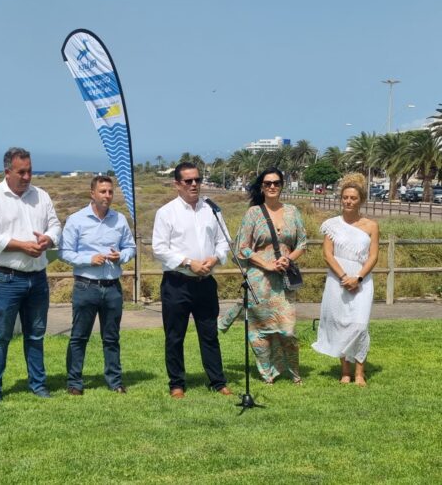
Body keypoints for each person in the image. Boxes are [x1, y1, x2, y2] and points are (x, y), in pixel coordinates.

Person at [0, 147, 62, 401]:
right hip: (5, 278)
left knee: (35, 334)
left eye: (30, 171)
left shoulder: (41, 196)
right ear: (7, 172)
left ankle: (38, 385)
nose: (27, 177)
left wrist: (49, 239)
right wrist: (21, 245)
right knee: (0, 335)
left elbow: (55, 225)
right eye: (21, 172)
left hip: (37, 278)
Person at [152, 162, 233, 399]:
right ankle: (176, 383)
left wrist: (214, 258)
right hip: (177, 283)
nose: (194, 184)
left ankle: (218, 382)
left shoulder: (212, 209)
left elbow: (224, 239)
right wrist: (188, 262)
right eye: (188, 181)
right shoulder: (166, 212)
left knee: (209, 334)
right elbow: (159, 249)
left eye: (197, 179)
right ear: (177, 184)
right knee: (175, 336)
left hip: (205, 282)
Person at [220, 167, 307, 385]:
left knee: (288, 330)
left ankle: (294, 372)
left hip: (283, 280)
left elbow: (302, 243)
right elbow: (243, 248)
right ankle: (267, 373)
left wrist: (289, 258)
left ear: (282, 185)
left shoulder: (293, 212)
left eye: (276, 183)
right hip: (259, 279)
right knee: (261, 330)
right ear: (262, 187)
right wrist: (266, 264)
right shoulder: (253, 213)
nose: (272, 187)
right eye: (267, 183)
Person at [59, 175, 136, 395]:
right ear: (92, 193)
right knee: (79, 336)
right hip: (86, 287)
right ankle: (74, 382)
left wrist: (120, 256)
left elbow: (131, 247)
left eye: (110, 191)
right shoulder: (76, 220)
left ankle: (115, 381)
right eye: (103, 191)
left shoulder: (119, 220)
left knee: (111, 337)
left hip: (112, 287)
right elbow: (65, 253)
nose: (107, 196)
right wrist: (88, 260)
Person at [312, 173, 379, 386]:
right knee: (340, 323)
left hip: (362, 280)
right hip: (337, 279)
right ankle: (346, 371)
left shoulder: (371, 226)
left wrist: (358, 278)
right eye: (345, 197)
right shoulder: (332, 225)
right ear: (341, 199)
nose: (349, 201)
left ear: (361, 201)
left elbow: (373, 256)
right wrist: (343, 277)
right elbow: (327, 254)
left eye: (353, 198)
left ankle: (360, 372)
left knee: (359, 325)